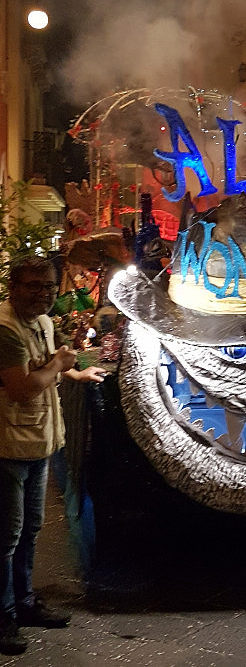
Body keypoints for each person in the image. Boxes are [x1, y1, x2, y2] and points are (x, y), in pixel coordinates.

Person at [0, 256, 106, 655]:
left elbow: (44, 368)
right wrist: (62, 362)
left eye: (47, 286)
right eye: (33, 286)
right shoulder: (5, 328)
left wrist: (73, 373)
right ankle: (3, 614)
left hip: (38, 440)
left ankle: (23, 602)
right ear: (14, 288)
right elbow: (23, 387)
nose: (43, 293)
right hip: (8, 444)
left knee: (30, 529)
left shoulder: (42, 322)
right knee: (6, 535)